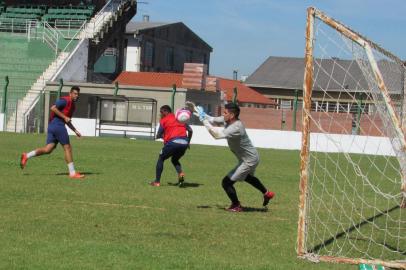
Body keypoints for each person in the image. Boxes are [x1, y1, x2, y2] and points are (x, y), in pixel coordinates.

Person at [194, 102, 274, 212]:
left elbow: (216, 135)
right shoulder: (229, 119)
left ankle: (236, 205)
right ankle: (267, 193)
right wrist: (202, 114)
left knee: (226, 182)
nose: (223, 114)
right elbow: (214, 120)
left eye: (225, 112)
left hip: (249, 160)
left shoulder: (236, 127)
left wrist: (204, 121)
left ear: (232, 115)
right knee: (247, 177)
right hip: (250, 157)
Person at [20, 86, 85, 179]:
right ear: (70, 93)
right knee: (67, 148)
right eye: (75, 93)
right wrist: (64, 117)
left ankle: (26, 155)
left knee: (48, 149)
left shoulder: (73, 106)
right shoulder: (65, 100)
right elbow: (53, 108)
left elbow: (67, 120)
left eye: (78, 94)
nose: (77, 96)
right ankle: (72, 173)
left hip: (53, 126)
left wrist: (75, 130)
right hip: (57, 126)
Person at [150, 105, 193, 187]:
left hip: (173, 142)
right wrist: (188, 142)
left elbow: (158, 135)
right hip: (184, 143)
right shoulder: (179, 118)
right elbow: (190, 130)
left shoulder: (164, 120)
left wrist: (165, 137)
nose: (160, 114)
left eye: (161, 112)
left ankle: (157, 182)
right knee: (174, 160)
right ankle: (181, 177)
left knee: (161, 158)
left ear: (165, 111)